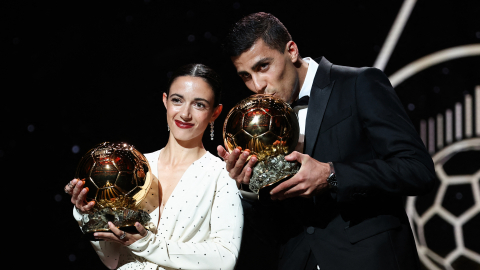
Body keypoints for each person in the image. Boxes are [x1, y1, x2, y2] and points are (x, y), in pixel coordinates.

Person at [217, 12, 436, 270]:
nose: (257, 85)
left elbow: (418, 170)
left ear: (291, 50)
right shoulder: (257, 124)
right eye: (245, 76)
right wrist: (249, 186)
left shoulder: (359, 84)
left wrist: (331, 174)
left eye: (263, 66)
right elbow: (271, 230)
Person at [65, 63, 243, 270]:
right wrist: (87, 214)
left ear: (215, 112)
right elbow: (112, 259)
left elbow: (225, 258)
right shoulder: (134, 167)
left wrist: (147, 245)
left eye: (199, 105)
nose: (185, 114)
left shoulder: (221, 175)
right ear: (165, 101)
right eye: (177, 100)